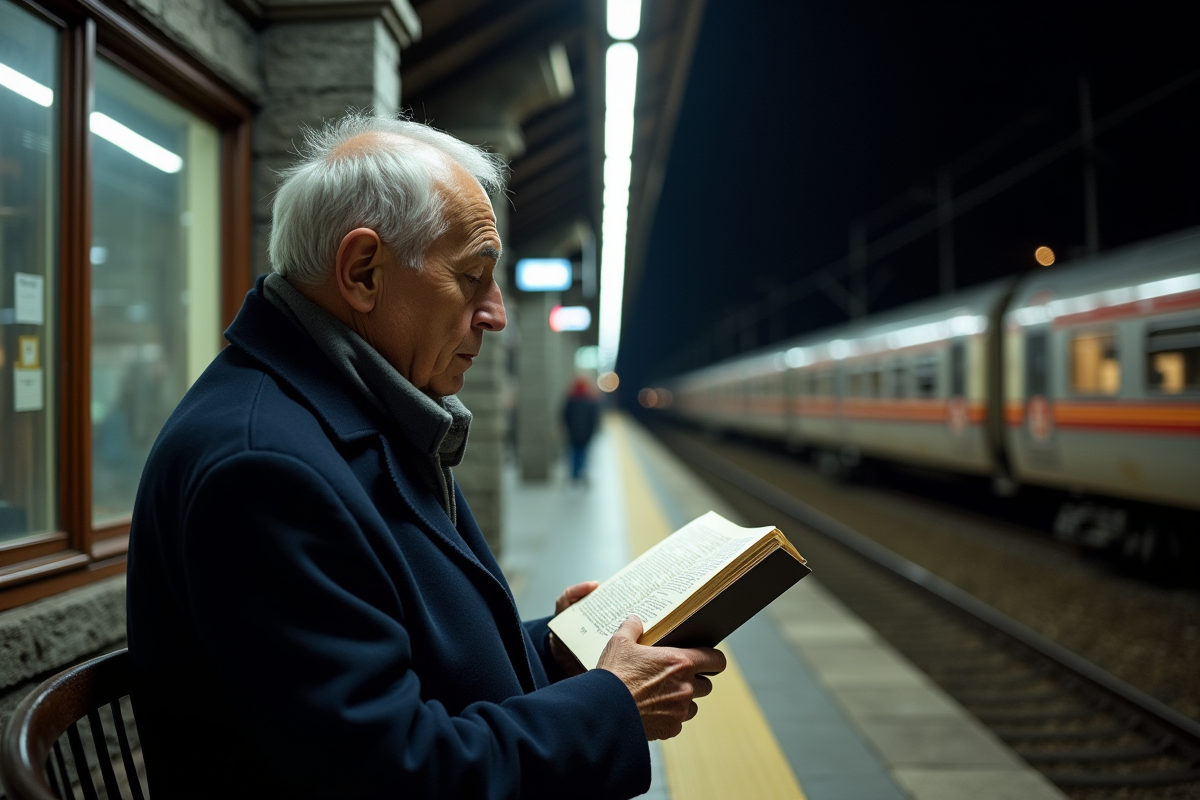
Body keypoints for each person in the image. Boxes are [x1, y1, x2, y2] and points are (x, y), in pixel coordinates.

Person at [125, 114, 727, 800]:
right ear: (363, 272)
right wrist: (611, 706)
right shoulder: (263, 472)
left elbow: (408, 662)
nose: (496, 313)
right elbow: (391, 775)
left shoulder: (354, 414)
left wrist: (554, 651)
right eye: (473, 277)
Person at [562, 376, 601, 483]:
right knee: (583, 452)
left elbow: (565, 415)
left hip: (573, 432)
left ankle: (575, 474)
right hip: (586, 432)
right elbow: (593, 418)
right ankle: (582, 473)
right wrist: (592, 430)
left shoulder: (571, 400)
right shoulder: (590, 401)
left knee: (574, 452)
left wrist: (566, 427)